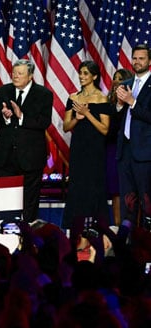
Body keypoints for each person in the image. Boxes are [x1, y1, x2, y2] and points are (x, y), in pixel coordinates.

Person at [0, 59, 53, 223]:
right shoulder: (3, 91)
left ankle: (28, 233)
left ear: (30, 76)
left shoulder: (43, 94)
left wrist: (21, 116)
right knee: (4, 196)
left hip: (31, 156)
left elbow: (44, 122)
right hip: (5, 155)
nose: (15, 76)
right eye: (14, 72)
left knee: (30, 199)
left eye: (20, 73)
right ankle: (5, 232)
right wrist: (5, 117)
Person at [61, 61, 110, 228]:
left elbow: (104, 129)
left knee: (93, 186)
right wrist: (77, 118)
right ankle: (77, 228)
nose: (81, 76)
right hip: (78, 148)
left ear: (94, 77)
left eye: (86, 73)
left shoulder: (102, 98)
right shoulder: (73, 97)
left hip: (95, 149)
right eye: (80, 73)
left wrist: (87, 114)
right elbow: (66, 127)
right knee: (77, 186)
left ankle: (95, 228)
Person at [115, 43, 151, 226]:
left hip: (145, 154)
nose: (137, 62)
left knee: (147, 203)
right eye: (134, 58)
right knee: (127, 202)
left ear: (149, 61)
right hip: (125, 151)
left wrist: (132, 102)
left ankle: (146, 245)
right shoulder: (126, 84)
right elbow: (118, 119)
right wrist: (120, 105)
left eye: (141, 58)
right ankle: (127, 245)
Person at [107, 68, 134, 225]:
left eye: (120, 79)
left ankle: (133, 228)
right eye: (115, 78)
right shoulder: (108, 104)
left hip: (130, 150)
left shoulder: (134, 102)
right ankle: (118, 227)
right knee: (116, 191)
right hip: (112, 151)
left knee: (130, 192)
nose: (116, 81)